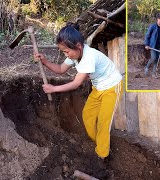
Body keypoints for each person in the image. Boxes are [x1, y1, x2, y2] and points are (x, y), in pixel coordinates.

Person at [34, 23, 122, 160]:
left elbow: (76, 84)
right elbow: (61, 69)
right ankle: (100, 143)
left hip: (112, 87)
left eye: (66, 51)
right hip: (98, 88)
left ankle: (102, 156)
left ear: (79, 46)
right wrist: (45, 62)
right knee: (87, 116)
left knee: (103, 123)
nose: (66, 55)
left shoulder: (89, 56)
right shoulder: (74, 55)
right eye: (63, 52)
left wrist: (54, 88)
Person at [144, 13, 160, 78]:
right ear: (158, 19)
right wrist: (146, 44)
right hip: (153, 46)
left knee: (157, 60)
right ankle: (147, 67)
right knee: (153, 58)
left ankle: (153, 74)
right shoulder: (153, 26)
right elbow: (147, 35)